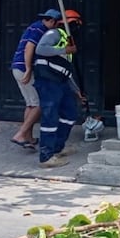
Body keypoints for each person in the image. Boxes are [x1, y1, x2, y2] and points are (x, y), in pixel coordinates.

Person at [32, 9, 85, 168]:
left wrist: (76, 90)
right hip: (48, 82)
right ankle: (46, 157)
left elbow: (65, 70)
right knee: (50, 118)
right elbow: (40, 49)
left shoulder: (68, 40)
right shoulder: (54, 33)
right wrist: (64, 50)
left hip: (61, 82)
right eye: (75, 23)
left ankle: (57, 148)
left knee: (70, 114)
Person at [9, 8, 60, 149]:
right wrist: (28, 68)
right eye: (57, 24)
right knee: (39, 104)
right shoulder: (39, 30)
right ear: (52, 21)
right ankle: (20, 134)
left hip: (17, 67)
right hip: (24, 68)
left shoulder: (34, 26)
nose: (56, 28)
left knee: (31, 104)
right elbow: (29, 47)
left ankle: (28, 138)